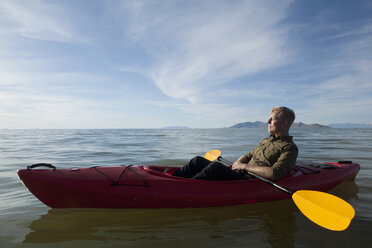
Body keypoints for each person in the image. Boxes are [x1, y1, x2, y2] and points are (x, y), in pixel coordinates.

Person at [173, 106, 298, 181]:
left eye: (273, 119)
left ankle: (186, 187)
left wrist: (243, 167)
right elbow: (249, 155)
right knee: (197, 161)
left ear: (285, 123)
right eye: (269, 118)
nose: (268, 121)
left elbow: (275, 173)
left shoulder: (289, 148)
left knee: (215, 167)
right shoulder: (266, 140)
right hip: (239, 172)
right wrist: (239, 162)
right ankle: (172, 180)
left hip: (251, 180)